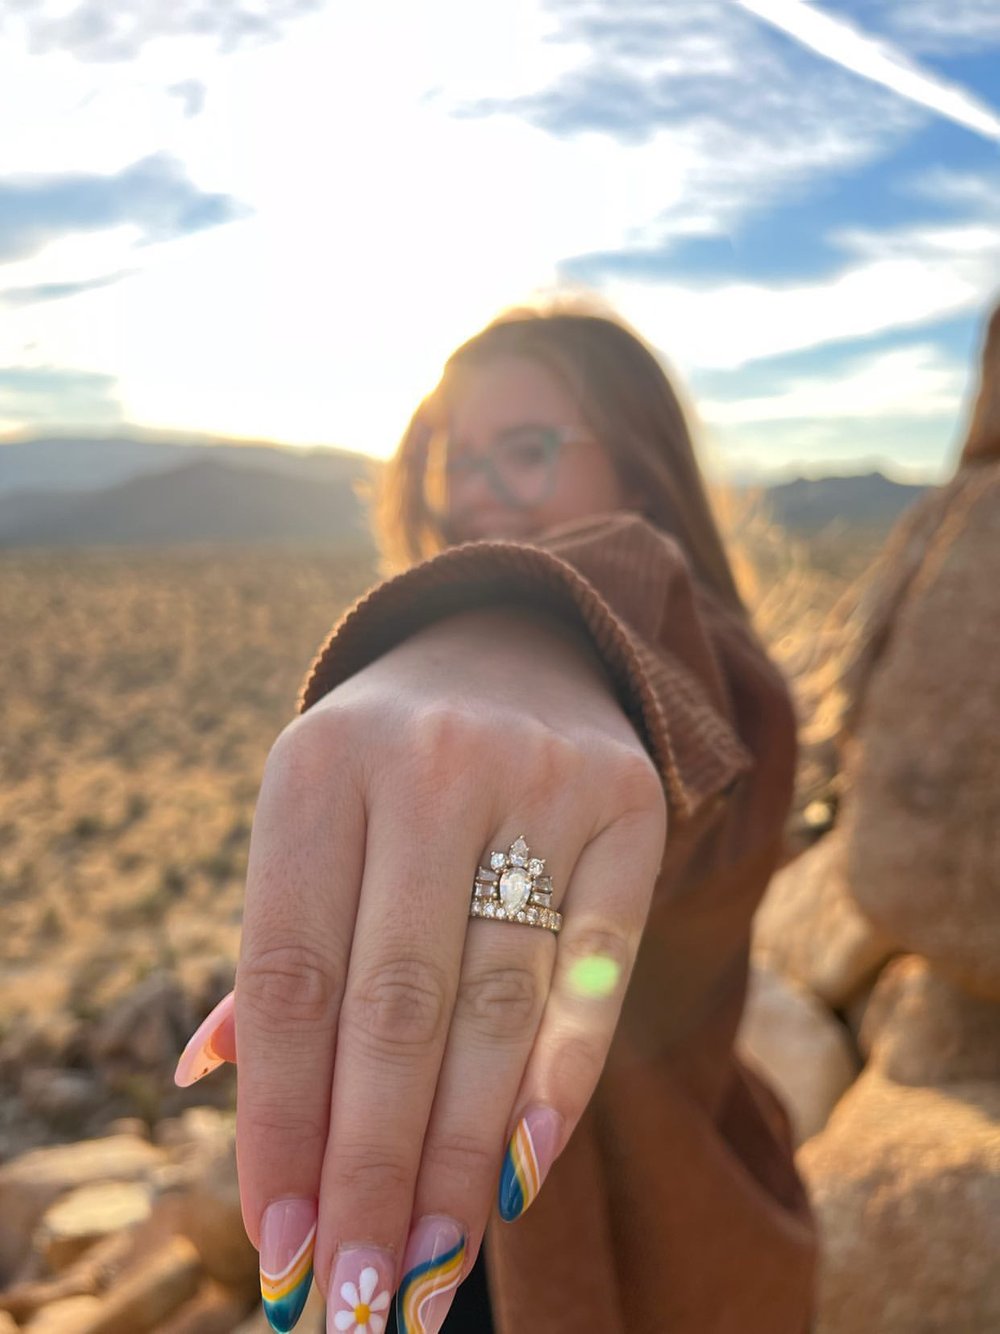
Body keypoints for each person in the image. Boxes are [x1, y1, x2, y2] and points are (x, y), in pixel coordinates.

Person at [175, 296, 818, 1334]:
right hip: (424, 1236)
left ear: (639, 465)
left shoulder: (729, 684)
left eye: (526, 449)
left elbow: (685, 697)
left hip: (662, 1260)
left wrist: (544, 631)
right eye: (452, 459)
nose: (478, 494)